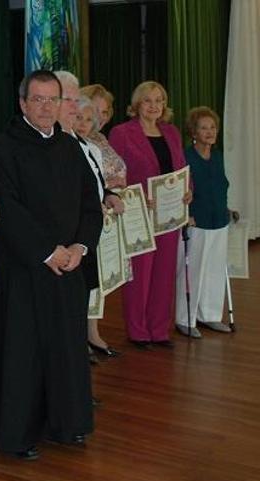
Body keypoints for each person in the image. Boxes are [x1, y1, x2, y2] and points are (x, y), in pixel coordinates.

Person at [0, 70, 102, 460]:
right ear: (23, 103)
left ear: (62, 104)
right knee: (21, 353)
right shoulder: (2, 150)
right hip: (22, 271)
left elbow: (91, 206)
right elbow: (6, 208)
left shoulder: (70, 148)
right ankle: (17, 433)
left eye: (52, 100)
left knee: (65, 349)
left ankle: (65, 423)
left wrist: (79, 247)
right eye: (37, 99)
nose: (45, 107)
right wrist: (47, 251)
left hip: (68, 269)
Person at [109, 81, 192, 348]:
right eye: (148, 100)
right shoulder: (122, 133)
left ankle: (159, 329)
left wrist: (188, 190)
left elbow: (181, 167)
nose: (154, 106)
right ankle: (138, 330)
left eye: (159, 100)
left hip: (169, 214)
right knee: (140, 274)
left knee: (165, 272)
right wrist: (134, 195)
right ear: (137, 104)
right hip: (139, 213)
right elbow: (113, 174)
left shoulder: (171, 132)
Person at [56, 71, 125, 362]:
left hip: (84, 237)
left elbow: (97, 182)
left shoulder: (86, 146)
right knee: (64, 312)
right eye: (68, 102)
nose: (76, 113)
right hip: (62, 242)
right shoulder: (53, 145)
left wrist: (110, 195)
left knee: (83, 299)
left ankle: (79, 359)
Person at [175, 107, 238, 337]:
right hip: (196, 222)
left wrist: (228, 209)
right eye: (204, 127)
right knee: (192, 272)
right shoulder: (186, 157)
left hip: (219, 220)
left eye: (212, 127)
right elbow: (181, 190)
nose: (210, 132)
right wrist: (186, 214)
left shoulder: (218, 156)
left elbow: (219, 186)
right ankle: (185, 318)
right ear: (193, 131)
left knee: (214, 271)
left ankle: (209, 315)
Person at [74, 94, 126, 357]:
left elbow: (98, 183)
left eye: (88, 119)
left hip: (93, 226)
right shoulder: (66, 146)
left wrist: (109, 195)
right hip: (74, 231)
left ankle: (86, 341)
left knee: (89, 289)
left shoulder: (93, 148)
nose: (83, 123)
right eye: (78, 117)